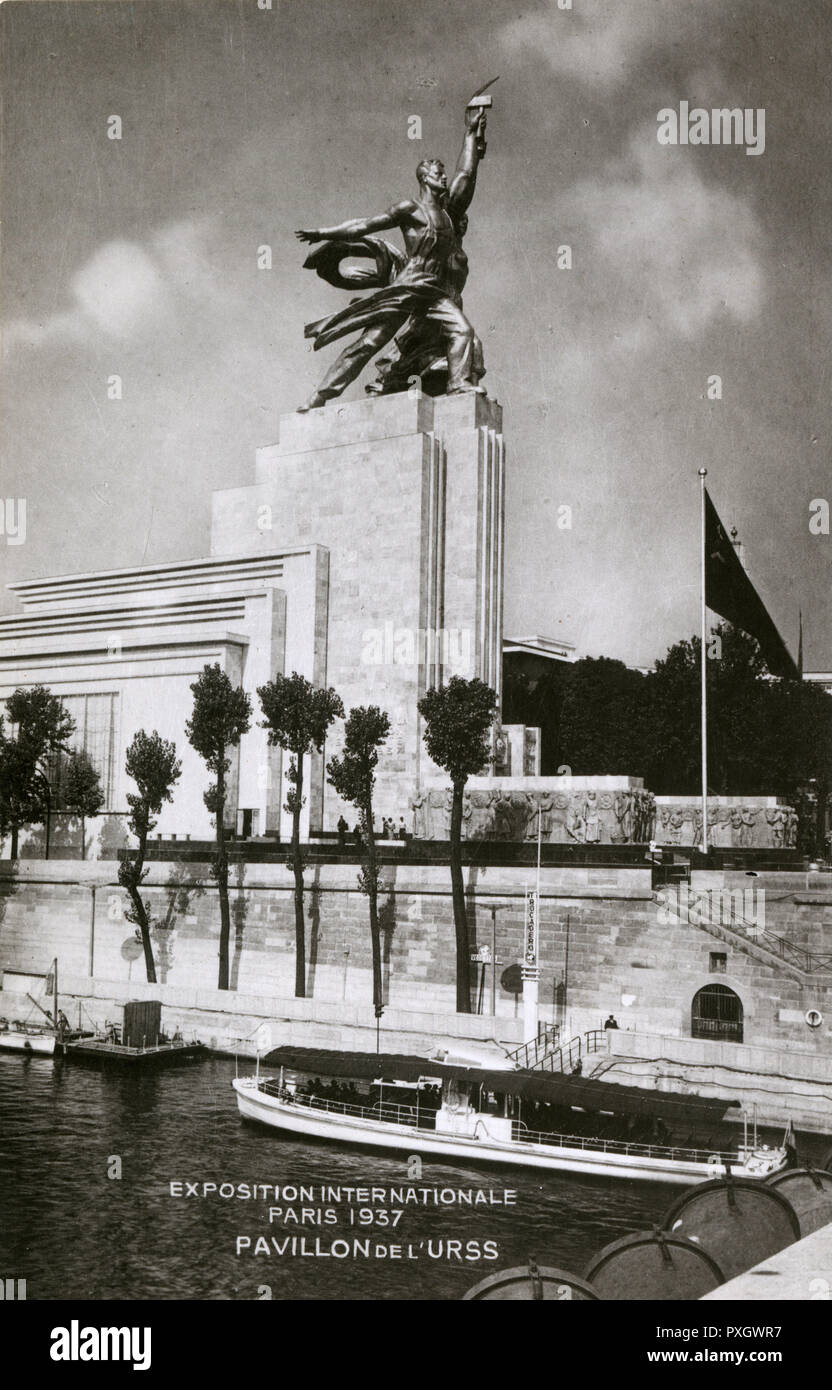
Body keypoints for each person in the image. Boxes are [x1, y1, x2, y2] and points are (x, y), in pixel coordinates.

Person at [295, 102, 489, 410]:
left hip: (433, 292)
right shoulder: (410, 208)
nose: (444, 178)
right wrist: (325, 233)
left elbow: (466, 172)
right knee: (369, 343)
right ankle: (320, 396)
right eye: (438, 174)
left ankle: (460, 385)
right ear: (425, 178)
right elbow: (365, 224)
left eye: (443, 175)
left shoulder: (449, 215)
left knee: (462, 330)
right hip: (408, 286)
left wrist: (470, 132)